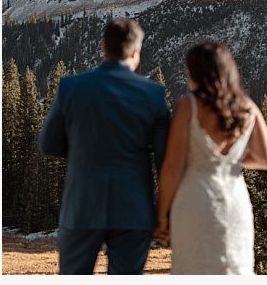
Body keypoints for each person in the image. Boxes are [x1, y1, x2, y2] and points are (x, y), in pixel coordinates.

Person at [39, 18, 170, 274]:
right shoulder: (154, 95)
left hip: (82, 205)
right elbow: (166, 161)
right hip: (134, 208)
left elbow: (48, 144)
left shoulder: (71, 88)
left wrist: (81, 151)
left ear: (102, 46)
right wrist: (165, 214)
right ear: (135, 51)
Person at [155, 42, 267, 274]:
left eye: (189, 68)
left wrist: (161, 215)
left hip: (195, 200)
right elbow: (265, 159)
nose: (185, 72)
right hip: (236, 202)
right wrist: (229, 160)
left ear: (198, 72)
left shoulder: (188, 107)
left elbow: (172, 166)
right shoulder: (248, 107)